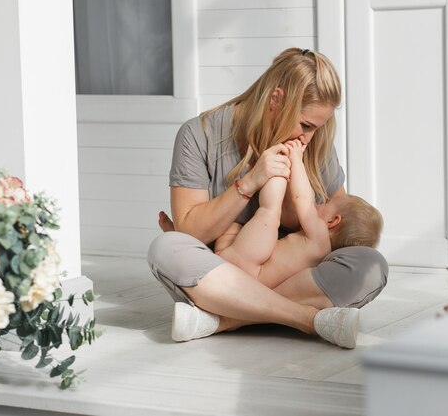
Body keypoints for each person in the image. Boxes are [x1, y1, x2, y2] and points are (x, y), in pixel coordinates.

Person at [147, 48, 388, 349]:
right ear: (276, 101)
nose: (309, 138)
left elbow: (337, 228)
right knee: (166, 248)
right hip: (220, 271)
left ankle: (224, 319)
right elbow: (191, 231)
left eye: (318, 127)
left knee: (370, 264)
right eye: (306, 125)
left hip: (263, 281)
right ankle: (306, 318)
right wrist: (249, 183)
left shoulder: (313, 144)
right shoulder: (199, 136)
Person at [215, 138, 383, 288]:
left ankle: (276, 174)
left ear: (333, 221)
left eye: (327, 203)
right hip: (260, 284)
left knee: (270, 211)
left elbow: (302, 198)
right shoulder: (322, 256)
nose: (320, 203)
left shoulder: (319, 234)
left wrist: (296, 159)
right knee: (234, 227)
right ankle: (224, 254)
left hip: (251, 270)